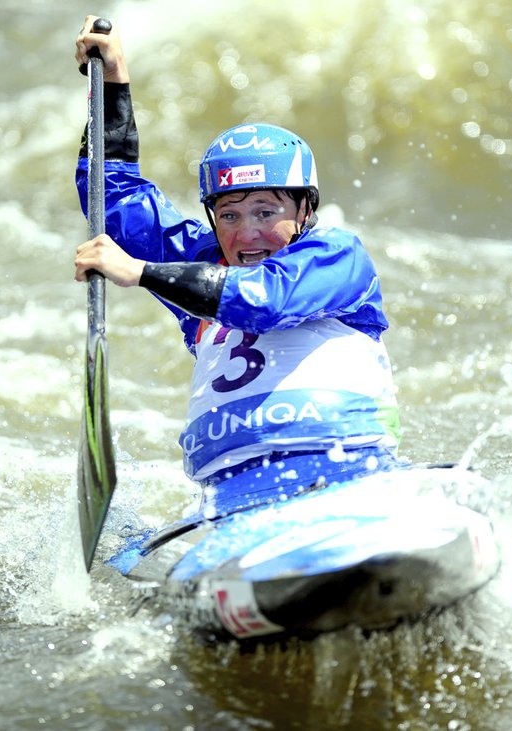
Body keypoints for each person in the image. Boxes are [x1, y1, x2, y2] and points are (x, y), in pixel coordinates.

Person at [73, 17, 404, 518]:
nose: (245, 232)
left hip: (348, 476)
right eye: (228, 215)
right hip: (228, 505)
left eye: (266, 212)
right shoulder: (205, 264)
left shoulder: (337, 258)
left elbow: (263, 300)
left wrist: (140, 272)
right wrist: (114, 81)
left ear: (304, 211)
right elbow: (114, 197)